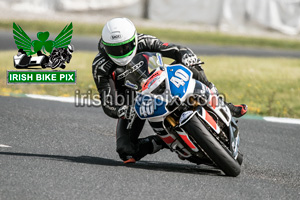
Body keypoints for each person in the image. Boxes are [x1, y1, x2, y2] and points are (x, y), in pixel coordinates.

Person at [92, 17, 247, 164]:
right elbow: (108, 102)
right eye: (114, 49)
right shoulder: (100, 66)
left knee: (191, 65)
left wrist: (186, 56)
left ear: (133, 40)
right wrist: (122, 110)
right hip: (135, 102)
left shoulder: (144, 40)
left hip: (161, 78)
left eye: (125, 46)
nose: (120, 52)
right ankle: (166, 141)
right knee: (126, 151)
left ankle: (223, 103)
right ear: (105, 46)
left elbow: (175, 49)